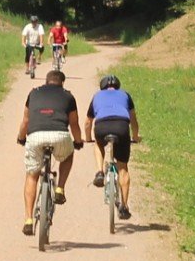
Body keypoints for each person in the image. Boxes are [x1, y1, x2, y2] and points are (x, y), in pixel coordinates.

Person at [15, 67, 81, 235]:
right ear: (62, 83)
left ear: (46, 81)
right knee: (68, 155)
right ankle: (60, 189)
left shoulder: (33, 93)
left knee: (32, 176)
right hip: (60, 135)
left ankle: (28, 220)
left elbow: (26, 120)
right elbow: (74, 123)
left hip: (35, 136)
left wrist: (21, 138)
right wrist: (78, 141)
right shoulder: (68, 96)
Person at [86, 71, 140, 221]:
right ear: (118, 86)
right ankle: (124, 206)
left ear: (102, 86)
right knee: (123, 168)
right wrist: (135, 137)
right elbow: (133, 120)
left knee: (98, 143)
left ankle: (99, 172)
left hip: (102, 126)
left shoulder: (97, 96)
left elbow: (88, 122)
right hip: (122, 126)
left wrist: (88, 138)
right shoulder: (125, 95)